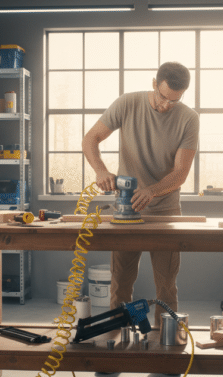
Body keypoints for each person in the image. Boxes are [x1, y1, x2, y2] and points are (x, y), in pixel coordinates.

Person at [82, 61, 199, 328]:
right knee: (121, 284)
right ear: (153, 84)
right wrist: (101, 171)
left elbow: (181, 173)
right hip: (125, 213)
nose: (166, 105)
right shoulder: (127, 104)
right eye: (162, 97)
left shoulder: (188, 118)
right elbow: (90, 139)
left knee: (166, 286)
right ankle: (123, 338)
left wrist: (152, 191)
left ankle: (163, 346)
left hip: (165, 212)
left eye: (174, 100)